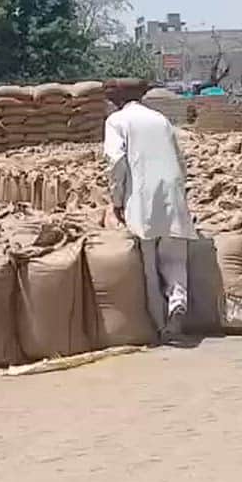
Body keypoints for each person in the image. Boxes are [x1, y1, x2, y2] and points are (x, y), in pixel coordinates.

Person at [103, 100, 198, 343]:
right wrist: (180, 190)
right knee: (175, 257)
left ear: (113, 103)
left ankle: (159, 325)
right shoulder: (160, 119)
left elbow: (116, 161)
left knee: (148, 264)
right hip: (172, 192)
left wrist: (116, 199)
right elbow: (180, 160)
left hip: (141, 196)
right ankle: (178, 301)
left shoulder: (116, 121)